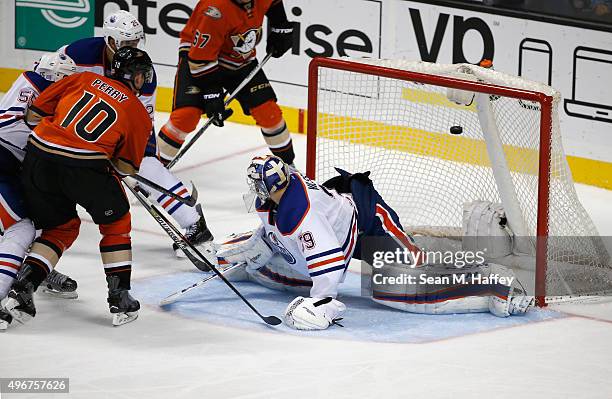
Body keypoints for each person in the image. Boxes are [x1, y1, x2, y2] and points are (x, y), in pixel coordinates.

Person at [216, 155, 534, 331]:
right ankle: (250, 266)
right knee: (282, 274)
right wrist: (260, 245)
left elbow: (327, 262)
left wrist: (322, 302)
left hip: (369, 225)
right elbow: (284, 233)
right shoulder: (278, 195)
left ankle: (496, 284)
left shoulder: (303, 212)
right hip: (340, 229)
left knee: (401, 288)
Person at [2, 47, 154, 327]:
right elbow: (126, 168)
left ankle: (25, 284)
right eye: (143, 75)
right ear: (134, 78)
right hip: (84, 168)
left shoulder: (81, 79)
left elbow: (34, 116)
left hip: (38, 159)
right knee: (117, 222)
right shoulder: (138, 113)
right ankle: (120, 297)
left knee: (61, 227)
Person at [59, 10, 213, 259]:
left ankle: (194, 224)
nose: (132, 47)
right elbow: (53, 78)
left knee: (147, 165)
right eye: (126, 43)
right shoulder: (80, 53)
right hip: (78, 125)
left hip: (123, 127)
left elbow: (141, 121)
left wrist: (119, 151)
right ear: (110, 41)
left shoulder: (142, 69)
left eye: (135, 42)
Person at [157, 0, 296, 167]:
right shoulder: (215, 9)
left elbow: (273, 3)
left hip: (239, 60)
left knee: (269, 112)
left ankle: (289, 169)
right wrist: (212, 95)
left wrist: (280, 24)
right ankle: (154, 168)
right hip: (199, 60)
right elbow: (199, 59)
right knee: (186, 117)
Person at [0, 52, 78, 330]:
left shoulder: (34, 88)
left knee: (42, 218)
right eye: (67, 81)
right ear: (55, 78)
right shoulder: (35, 89)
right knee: (21, 228)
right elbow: (16, 130)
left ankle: (33, 269)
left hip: (12, 171)